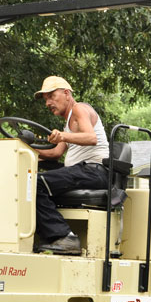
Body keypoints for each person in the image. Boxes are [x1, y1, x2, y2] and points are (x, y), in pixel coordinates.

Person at [32, 76, 110, 255]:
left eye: (52, 96)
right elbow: (55, 154)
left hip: (94, 171)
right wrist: (25, 149)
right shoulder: (68, 124)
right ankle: (50, 236)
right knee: (29, 180)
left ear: (66, 93)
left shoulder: (79, 109)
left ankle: (64, 236)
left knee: (35, 183)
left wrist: (62, 136)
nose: (48, 103)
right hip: (81, 172)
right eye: (46, 100)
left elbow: (91, 138)